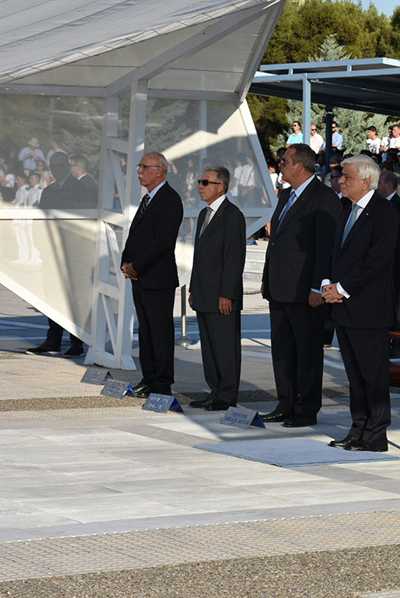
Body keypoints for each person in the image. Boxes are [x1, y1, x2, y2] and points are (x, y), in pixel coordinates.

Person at [260, 143, 342, 427]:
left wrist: (318, 287)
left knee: (307, 353)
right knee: (282, 351)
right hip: (280, 287)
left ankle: (306, 409)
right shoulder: (285, 196)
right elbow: (277, 242)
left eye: (285, 160)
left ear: (300, 165)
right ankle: (286, 403)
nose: (280, 164)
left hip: (305, 290)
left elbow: (324, 248)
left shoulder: (324, 197)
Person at [323, 155, 400, 452]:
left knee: (373, 375)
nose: (341, 181)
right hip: (344, 308)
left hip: (369, 309)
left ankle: (375, 434)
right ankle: (358, 429)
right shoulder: (346, 209)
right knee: (354, 375)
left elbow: (376, 261)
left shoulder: (385, 213)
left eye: (347, 177)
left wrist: (342, 288)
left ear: (366, 181)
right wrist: (327, 286)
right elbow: (336, 254)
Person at [121, 152, 184, 398]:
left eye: (144, 167)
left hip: (157, 278)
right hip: (141, 277)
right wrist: (126, 262)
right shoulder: (148, 199)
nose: (139, 171)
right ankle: (149, 377)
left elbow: (163, 242)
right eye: (139, 166)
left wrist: (138, 266)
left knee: (159, 332)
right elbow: (136, 236)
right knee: (146, 331)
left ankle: (161, 383)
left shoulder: (169, 200)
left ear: (159, 170)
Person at [188, 166, 246, 411]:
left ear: (221, 186)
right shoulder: (204, 214)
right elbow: (198, 256)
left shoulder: (232, 215)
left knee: (225, 348)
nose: (200, 186)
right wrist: (193, 288)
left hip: (222, 295)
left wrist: (226, 294)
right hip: (203, 291)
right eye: (200, 182)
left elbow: (234, 258)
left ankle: (226, 395)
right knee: (210, 348)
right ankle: (215, 390)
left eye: (205, 182)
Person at [28, 152, 86, 357]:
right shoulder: (49, 191)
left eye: (60, 166)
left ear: (68, 166)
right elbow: (40, 219)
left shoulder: (80, 189)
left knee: (73, 299)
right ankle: (53, 340)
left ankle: (76, 342)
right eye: (53, 166)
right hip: (51, 252)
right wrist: (40, 246)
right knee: (52, 297)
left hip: (73, 253)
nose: (56, 169)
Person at [377, 170, 400, 359]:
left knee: (396, 304)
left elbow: (394, 238)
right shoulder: (380, 204)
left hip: (392, 263)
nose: (376, 186)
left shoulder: (399, 206)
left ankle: (398, 344)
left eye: (379, 182)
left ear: (389, 185)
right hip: (381, 265)